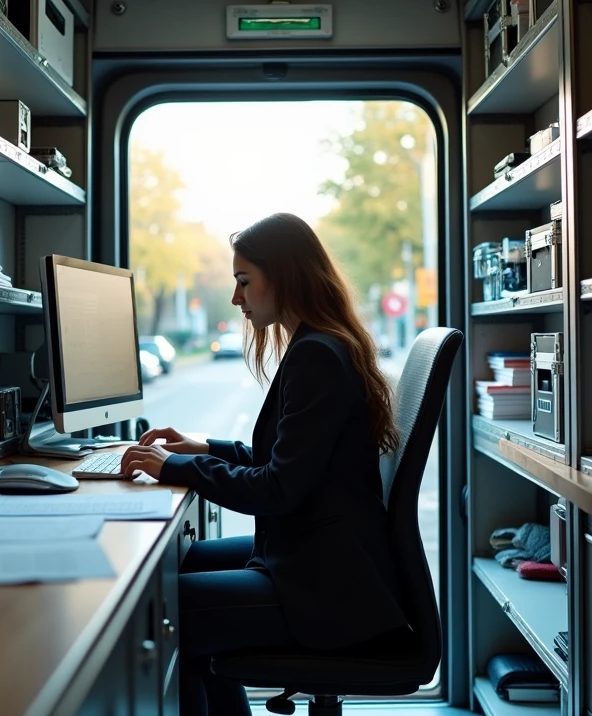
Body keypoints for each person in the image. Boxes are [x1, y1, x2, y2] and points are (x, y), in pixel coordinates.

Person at [121, 213, 410, 716]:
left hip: (327, 585)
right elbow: (292, 463)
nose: (237, 299)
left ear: (285, 276)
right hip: (320, 554)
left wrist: (173, 468)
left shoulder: (316, 355)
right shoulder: (320, 344)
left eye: (243, 282)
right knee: (183, 565)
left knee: (160, 607)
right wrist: (202, 448)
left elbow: (277, 489)